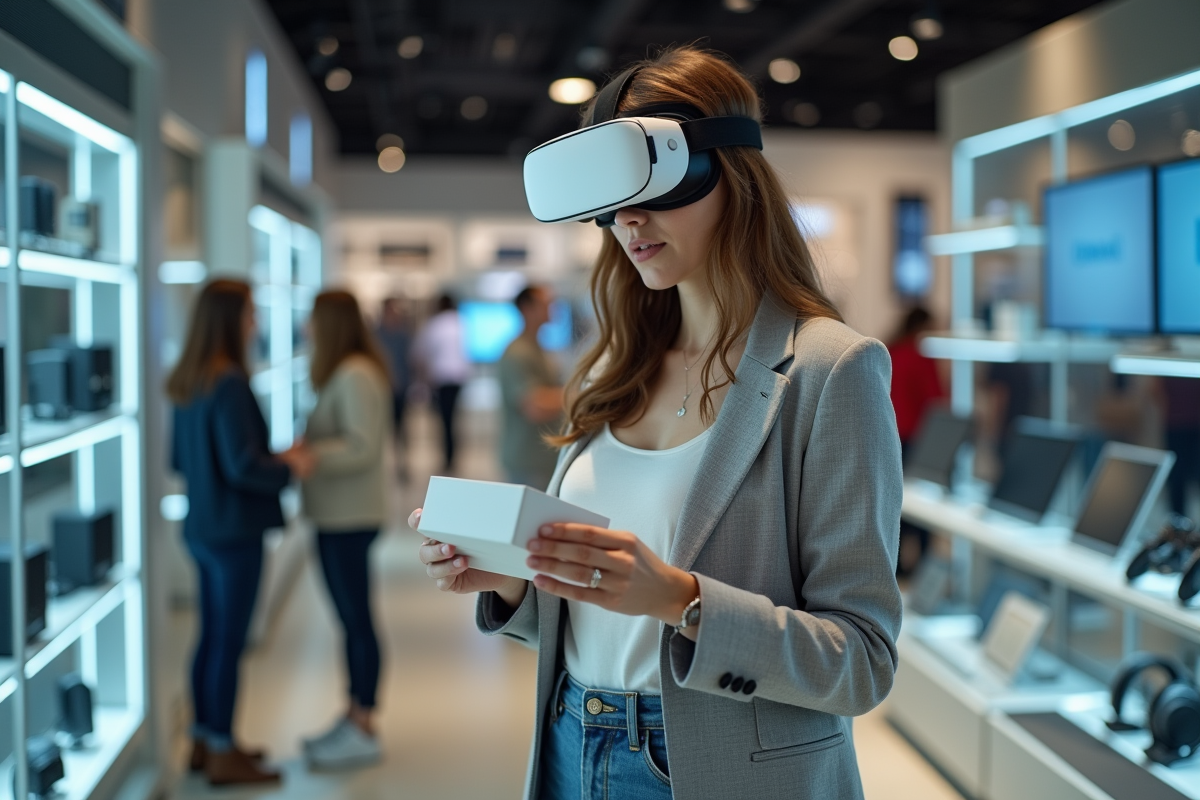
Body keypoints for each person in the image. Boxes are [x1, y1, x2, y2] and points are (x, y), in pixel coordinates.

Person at [414, 46, 902, 800]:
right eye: (608, 205)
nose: (626, 222)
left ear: (726, 174)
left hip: (719, 768)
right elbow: (597, 617)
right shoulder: (614, 367)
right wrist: (513, 584)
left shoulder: (830, 370)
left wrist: (683, 599)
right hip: (572, 742)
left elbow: (862, 659)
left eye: (652, 189)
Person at [167, 279, 314, 787]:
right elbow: (242, 466)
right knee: (228, 643)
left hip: (202, 528)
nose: (256, 323)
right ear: (230, 319)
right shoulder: (227, 381)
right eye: (250, 313)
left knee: (210, 638)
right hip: (234, 534)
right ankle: (224, 753)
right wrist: (288, 465)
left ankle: (206, 742)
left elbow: (178, 460)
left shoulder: (188, 380)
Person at [298, 290, 392, 769]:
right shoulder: (346, 371)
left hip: (349, 516)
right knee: (350, 618)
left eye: (312, 320)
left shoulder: (355, 373)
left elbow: (360, 446)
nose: (306, 328)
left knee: (356, 619)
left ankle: (363, 721)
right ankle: (355, 713)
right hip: (338, 514)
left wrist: (309, 456)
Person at [886, 306, 944, 575]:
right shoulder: (922, 354)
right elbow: (937, 399)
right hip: (916, 440)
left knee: (894, 505)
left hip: (888, 438)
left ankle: (895, 567)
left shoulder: (890, 349)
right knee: (923, 507)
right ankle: (923, 570)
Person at [498, 285, 564, 490]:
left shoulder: (538, 348)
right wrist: (576, 395)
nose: (552, 308)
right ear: (527, 309)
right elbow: (534, 407)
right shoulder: (517, 353)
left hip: (543, 459)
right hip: (527, 462)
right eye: (546, 304)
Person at [415, 294, 471, 472]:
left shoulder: (435, 324)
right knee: (453, 418)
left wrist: (423, 379)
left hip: (441, 378)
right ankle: (453, 456)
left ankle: (448, 457)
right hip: (459, 377)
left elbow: (422, 353)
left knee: (445, 420)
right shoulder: (461, 322)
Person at [376, 297, 413, 476]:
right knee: (381, 429)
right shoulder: (376, 334)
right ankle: (382, 466)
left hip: (401, 389)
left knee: (402, 428)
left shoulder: (402, 334)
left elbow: (409, 361)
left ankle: (402, 463)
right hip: (381, 390)